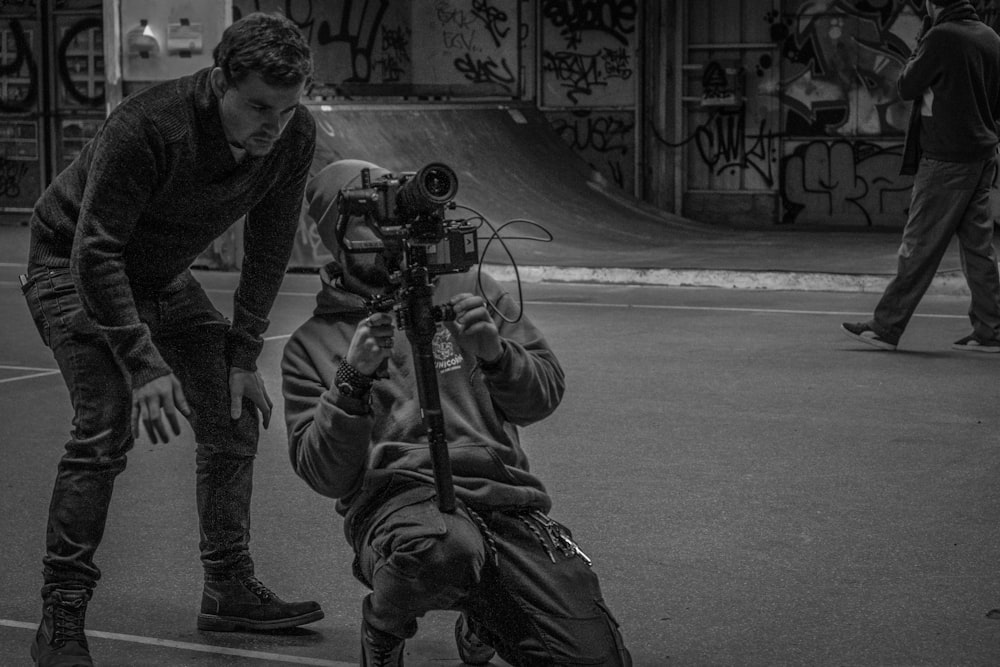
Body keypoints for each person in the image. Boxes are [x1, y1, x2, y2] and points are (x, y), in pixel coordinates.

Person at [20, 12, 323, 666]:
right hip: (68, 266)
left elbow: (270, 248)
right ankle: (61, 614)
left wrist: (243, 355)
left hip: (160, 273)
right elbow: (94, 255)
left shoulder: (292, 136)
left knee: (234, 411)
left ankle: (228, 585)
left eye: (287, 108)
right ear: (219, 82)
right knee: (105, 421)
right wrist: (145, 366)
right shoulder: (150, 126)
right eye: (259, 107)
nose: (274, 125)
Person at [281, 158, 632, 666]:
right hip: (398, 509)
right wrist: (352, 380)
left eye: (393, 215)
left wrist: (496, 354)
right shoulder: (312, 346)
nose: (387, 232)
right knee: (443, 549)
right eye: (370, 218)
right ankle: (383, 628)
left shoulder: (473, 290)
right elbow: (327, 475)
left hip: (501, 499)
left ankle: (485, 614)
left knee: (595, 659)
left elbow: (543, 397)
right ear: (335, 234)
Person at [841, 0, 1000, 352]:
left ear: (933, 3)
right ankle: (991, 331)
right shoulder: (990, 38)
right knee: (979, 248)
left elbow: (906, 85)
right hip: (982, 154)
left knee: (919, 245)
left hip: (945, 158)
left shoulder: (941, 37)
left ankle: (885, 326)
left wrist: (924, 34)